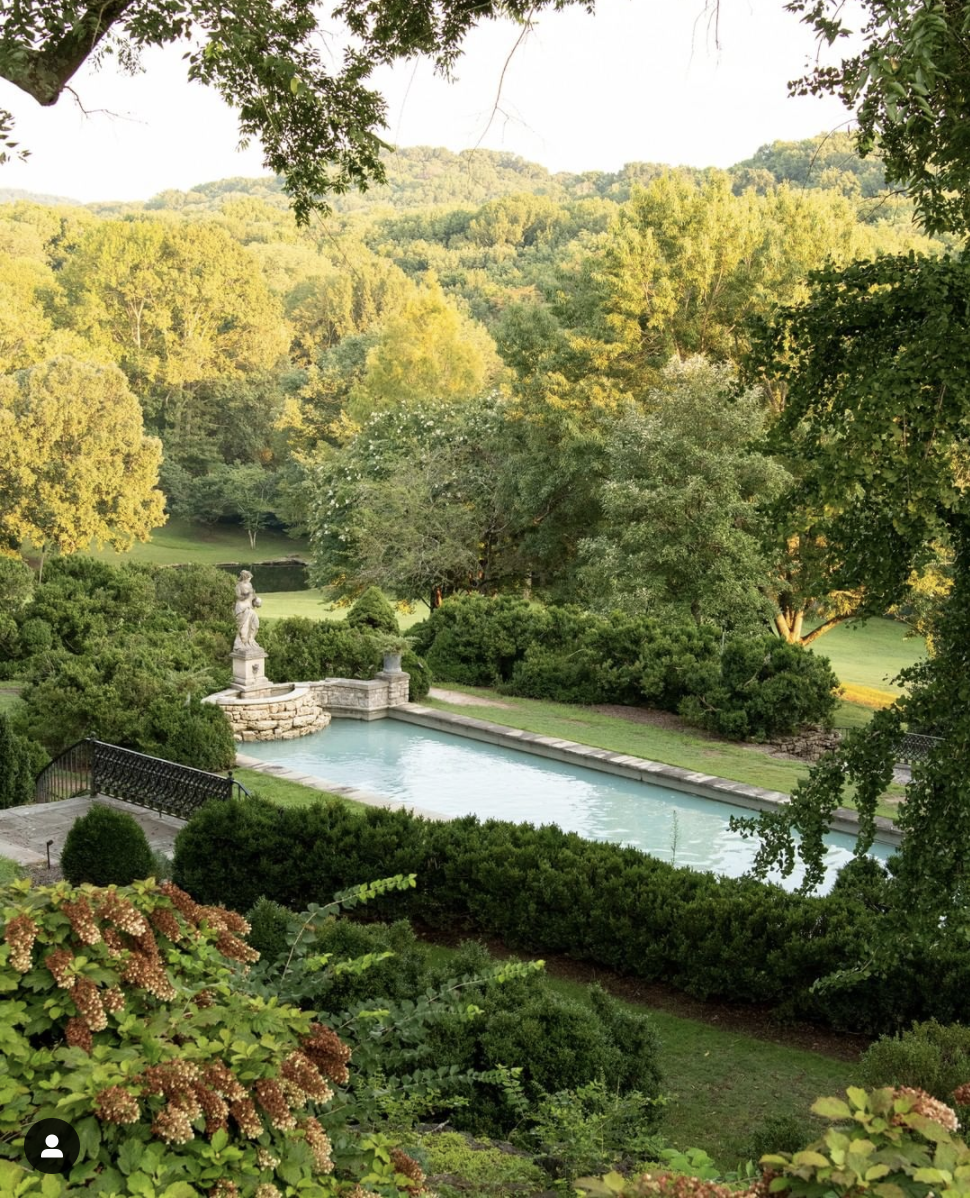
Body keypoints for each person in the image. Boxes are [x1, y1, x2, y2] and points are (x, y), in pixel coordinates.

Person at [233, 571, 262, 648]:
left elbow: (253, 595)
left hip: (250, 607)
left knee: (255, 624)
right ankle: (242, 643)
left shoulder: (250, 584)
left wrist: (256, 601)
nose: (249, 580)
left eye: (250, 578)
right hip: (242, 609)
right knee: (243, 628)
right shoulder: (238, 586)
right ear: (244, 577)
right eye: (248, 578)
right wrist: (247, 595)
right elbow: (239, 597)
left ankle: (251, 640)